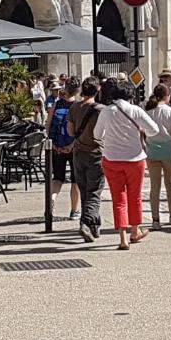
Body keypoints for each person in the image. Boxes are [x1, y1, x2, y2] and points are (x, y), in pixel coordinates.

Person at [94, 80, 159, 250]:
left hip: (111, 159)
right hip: (135, 159)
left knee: (118, 198)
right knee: (134, 196)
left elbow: (97, 134)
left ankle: (122, 238)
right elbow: (154, 130)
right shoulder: (136, 110)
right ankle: (135, 231)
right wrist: (140, 130)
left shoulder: (106, 112)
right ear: (130, 95)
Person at [144, 83, 171, 229]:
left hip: (152, 153)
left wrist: (144, 145)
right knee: (170, 185)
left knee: (154, 187)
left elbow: (142, 132)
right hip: (169, 152)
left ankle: (155, 219)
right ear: (167, 96)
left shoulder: (148, 112)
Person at [68, 76, 105, 242]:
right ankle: (86, 222)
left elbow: (70, 132)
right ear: (97, 90)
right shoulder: (101, 109)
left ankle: (93, 225)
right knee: (95, 192)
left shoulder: (75, 107)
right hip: (96, 154)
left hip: (78, 153)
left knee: (84, 191)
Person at [47, 77, 80, 220]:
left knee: (57, 178)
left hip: (57, 147)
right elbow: (79, 130)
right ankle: (74, 211)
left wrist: (52, 143)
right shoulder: (79, 106)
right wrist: (72, 145)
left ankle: (52, 200)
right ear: (78, 90)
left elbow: (48, 125)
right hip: (73, 148)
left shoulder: (57, 104)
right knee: (75, 180)